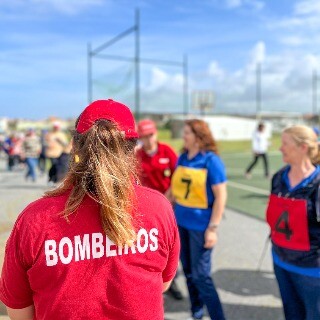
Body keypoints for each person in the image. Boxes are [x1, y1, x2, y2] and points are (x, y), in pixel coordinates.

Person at [0, 99, 180, 320]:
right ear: (132, 151)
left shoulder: (35, 219)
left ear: (75, 147)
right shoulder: (159, 208)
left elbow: (18, 311)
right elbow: (162, 283)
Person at [170, 119, 227, 320]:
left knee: (202, 275)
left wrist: (213, 228)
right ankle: (197, 311)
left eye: (187, 133)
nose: (183, 136)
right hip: (180, 224)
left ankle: (218, 316)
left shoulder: (211, 160)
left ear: (198, 136)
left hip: (201, 227)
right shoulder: (183, 158)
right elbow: (174, 191)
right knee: (188, 272)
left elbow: (221, 196)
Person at [266, 125, 320, 320]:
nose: (280, 148)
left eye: (285, 144)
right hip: (281, 261)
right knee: (292, 314)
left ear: (303, 147)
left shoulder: (317, 183)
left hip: (311, 270)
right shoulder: (279, 178)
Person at [136, 118, 183, 300]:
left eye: (151, 135)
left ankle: (171, 280)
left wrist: (166, 199)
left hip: (169, 205)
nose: (149, 140)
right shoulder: (137, 156)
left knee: (170, 246)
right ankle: (150, 281)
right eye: (144, 136)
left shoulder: (167, 151)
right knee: (150, 246)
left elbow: (177, 176)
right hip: (147, 208)